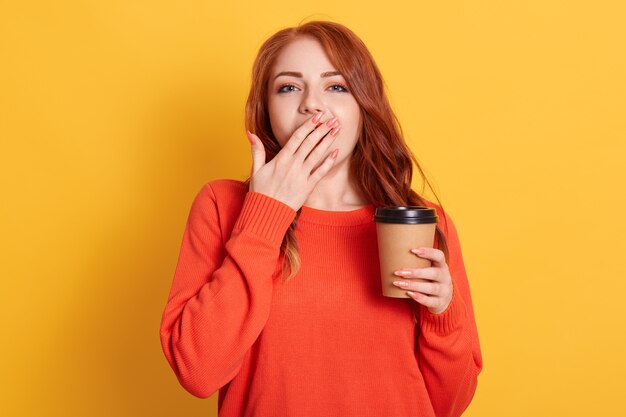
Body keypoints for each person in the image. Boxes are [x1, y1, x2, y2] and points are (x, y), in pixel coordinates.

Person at [160, 20, 483, 417]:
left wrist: (443, 314)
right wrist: (267, 212)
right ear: (266, 110)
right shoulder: (222, 205)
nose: (312, 104)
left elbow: (449, 405)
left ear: (364, 106)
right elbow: (198, 371)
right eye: (289, 87)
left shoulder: (418, 222)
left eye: (336, 86)